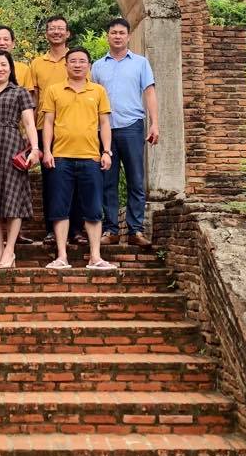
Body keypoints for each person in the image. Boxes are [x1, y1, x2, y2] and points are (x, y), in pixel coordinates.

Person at [39, 47, 116, 271]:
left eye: (82, 61)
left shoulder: (98, 91)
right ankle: (62, 256)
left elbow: (104, 124)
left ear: (89, 66)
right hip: (61, 157)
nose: (77, 64)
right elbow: (49, 123)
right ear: (66, 65)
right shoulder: (54, 90)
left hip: (91, 157)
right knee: (59, 207)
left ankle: (95, 256)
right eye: (73, 61)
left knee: (93, 208)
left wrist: (107, 151)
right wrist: (47, 150)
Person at [91, 17, 159, 247]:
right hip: (105, 130)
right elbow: (91, 99)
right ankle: (110, 230)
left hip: (132, 126)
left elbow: (149, 93)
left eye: (121, 32)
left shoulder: (140, 63)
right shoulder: (98, 66)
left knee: (136, 180)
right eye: (113, 33)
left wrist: (154, 123)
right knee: (107, 181)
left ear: (128, 36)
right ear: (107, 36)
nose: (117, 36)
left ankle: (135, 229)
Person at [0, 50, 39, 268]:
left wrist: (35, 149)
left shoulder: (20, 92)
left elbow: (29, 123)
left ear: (10, 68)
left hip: (12, 145)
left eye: (3, 64)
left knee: (13, 199)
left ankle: (10, 251)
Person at [29, 15, 82, 243]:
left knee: (78, 178)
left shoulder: (76, 60)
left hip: (74, 126)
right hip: (45, 127)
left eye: (61, 29)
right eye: (52, 29)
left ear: (68, 33)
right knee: (51, 179)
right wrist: (30, 129)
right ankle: (51, 229)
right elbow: (34, 96)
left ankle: (77, 230)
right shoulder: (36, 63)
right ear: (46, 33)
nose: (56, 32)